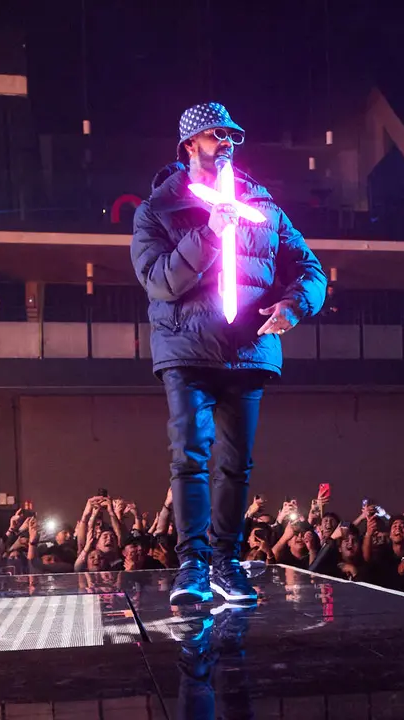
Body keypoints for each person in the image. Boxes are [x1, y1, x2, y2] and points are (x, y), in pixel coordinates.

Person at [131, 102, 327, 605]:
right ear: (189, 144)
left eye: (233, 135)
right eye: (216, 134)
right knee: (190, 456)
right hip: (187, 350)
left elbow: (311, 269)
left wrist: (295, 304)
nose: (227, 143)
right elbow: (159, 282)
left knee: (236, 465)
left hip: (248, 349)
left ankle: (225, 562)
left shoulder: (261, 205)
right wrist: (209, 235)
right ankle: (193, 565)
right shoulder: (158, 209)